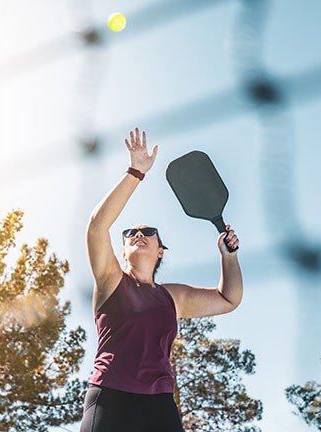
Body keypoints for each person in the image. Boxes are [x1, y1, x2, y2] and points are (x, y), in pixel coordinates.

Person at [79, 128, 243, 432]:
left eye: (148, 232)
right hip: (111, 398)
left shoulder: (173, 297)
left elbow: (228, 299)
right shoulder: (111, 280)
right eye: (130, 234)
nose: (139, 235)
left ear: (160, 251)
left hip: (159, 405)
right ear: (124, 251)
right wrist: (135, 172)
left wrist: (228, 257)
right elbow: (96, 226)